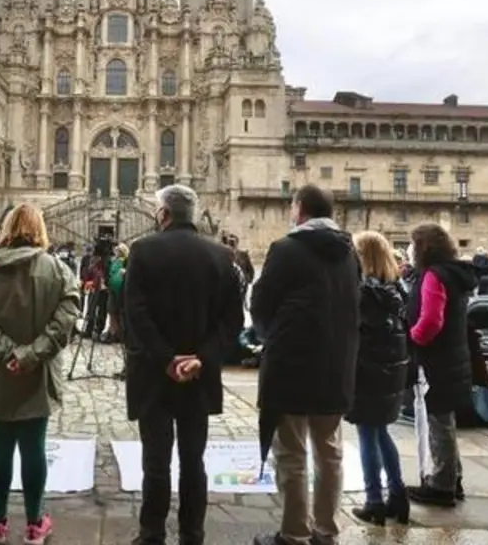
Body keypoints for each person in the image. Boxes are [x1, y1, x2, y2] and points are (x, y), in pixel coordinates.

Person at [124, 185, 242, 545]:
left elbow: (135, 315)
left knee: (155, 462)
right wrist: (200, 359)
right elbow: (232, 321)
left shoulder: (142, 251)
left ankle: (152, 534)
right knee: (194, 461)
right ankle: (192, 534)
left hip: (154, 375)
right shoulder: (222, 256)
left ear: (162, 214)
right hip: (198, 377)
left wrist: (165, 358)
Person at [249, 185, 361, 545]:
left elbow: (261, 304)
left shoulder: (285, 250)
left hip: (292, 367)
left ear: (300, 210)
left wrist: (270, 335)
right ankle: (327, 530)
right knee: (329, 452)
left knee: (292, 453)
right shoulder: (349, 253)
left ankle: (295, 533)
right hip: (335, 366)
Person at [0, 203, 80, 545]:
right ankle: (34, 523)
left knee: (0, 446)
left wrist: (8, 352)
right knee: (34, 447)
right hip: (38, 372)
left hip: (0, 372)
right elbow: (65, 321)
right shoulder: (59, 271)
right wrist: (30, 355)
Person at [404, 222, 477, 508]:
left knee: (438, 420)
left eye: (412, 244)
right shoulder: (453, 274)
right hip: (452, 355)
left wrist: (412, 337)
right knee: (444, 419)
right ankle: (451, 477)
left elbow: (431, 321)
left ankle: (442, 484)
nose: (409, 250)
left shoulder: (434, 275)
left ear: (423, 247)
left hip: (436, 358)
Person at [347, 231, 411, 527]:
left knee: (367, 434)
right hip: (393, 370)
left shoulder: (364, 292)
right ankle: (398, 495)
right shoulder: (396, 288)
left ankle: (374, 500)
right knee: (382, 432)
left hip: (369, 371)